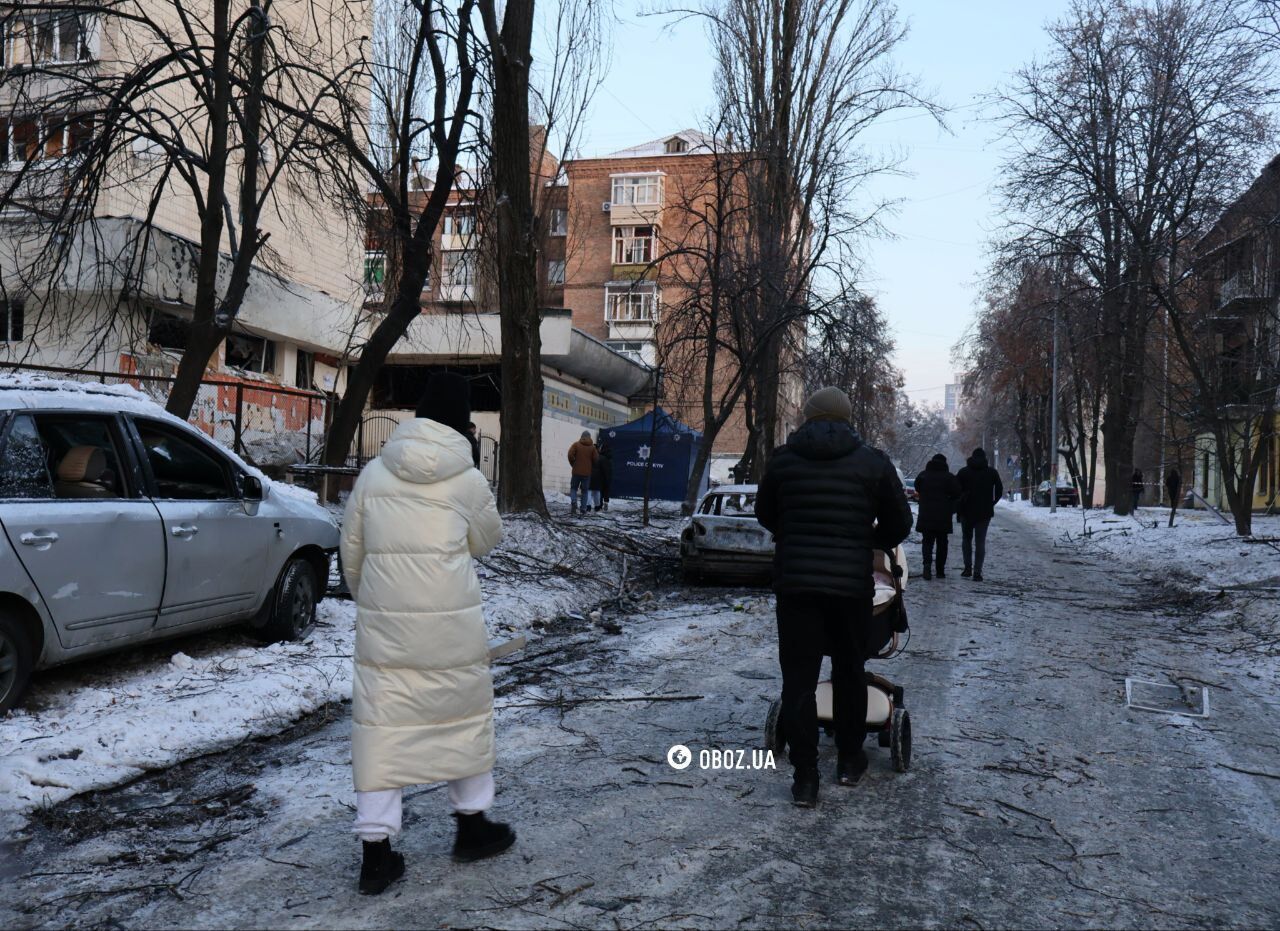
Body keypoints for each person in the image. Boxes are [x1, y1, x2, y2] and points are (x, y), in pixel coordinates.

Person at [340, 372, 513, 896]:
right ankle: (472, 827)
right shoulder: (466, 479)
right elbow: (487, 541)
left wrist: (375, 600)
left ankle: (376, 855)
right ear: (462, 424)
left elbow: (352, 554)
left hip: (386, 634)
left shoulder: (374, 474)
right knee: (461, 716)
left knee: (382, 732)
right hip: (451, 628)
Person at [755, 386, 912, 808]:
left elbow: (765, 513)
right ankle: (849, 758)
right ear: (847, 418)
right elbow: (900, 522)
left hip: (797, 588)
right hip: (849, 588)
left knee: (799, 681)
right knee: (848, 670)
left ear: (807, 417)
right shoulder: (872, 462)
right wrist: (866, 540)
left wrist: (795, 534)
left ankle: (806, 779)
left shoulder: (783, 460)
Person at [956, 448, 1003, 582]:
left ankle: (967, 569)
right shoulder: (991, 473)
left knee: (966, 540)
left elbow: (956, 490)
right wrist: (992, 502)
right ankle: (977, 572)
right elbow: (999, 490)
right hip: (984, 512)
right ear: (985, 458)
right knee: (980, 542)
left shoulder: (963, 472)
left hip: (966, 511)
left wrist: (960, 504)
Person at [914, 453, 961, 580]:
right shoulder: (949, 477)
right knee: (942, 543)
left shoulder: (923, 475)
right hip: (943, 516)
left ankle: (927, 565)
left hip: (926, 514)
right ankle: (940, 571)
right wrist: (951, 505)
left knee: (927, 542)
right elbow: (957, 493)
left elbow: (917, 487)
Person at [567, 431, 598, 515]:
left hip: (576, 471)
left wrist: (573, 464)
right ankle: (583, 509)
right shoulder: (592, 448)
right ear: (590, 437)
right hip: (587, 473)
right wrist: (591, 466)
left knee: (573, 488)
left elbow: (570, 454)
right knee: (584, 491)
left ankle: (574, 501)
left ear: (581, 436)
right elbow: (596, 459)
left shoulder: (576, 444)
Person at [590, 439, 613, 511]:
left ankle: (599, 505)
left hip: (601, 476)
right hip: (607, 475)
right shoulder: (609, 456)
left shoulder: (601, 457)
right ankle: (605, 503)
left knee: (599, 491)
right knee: (606, 490)